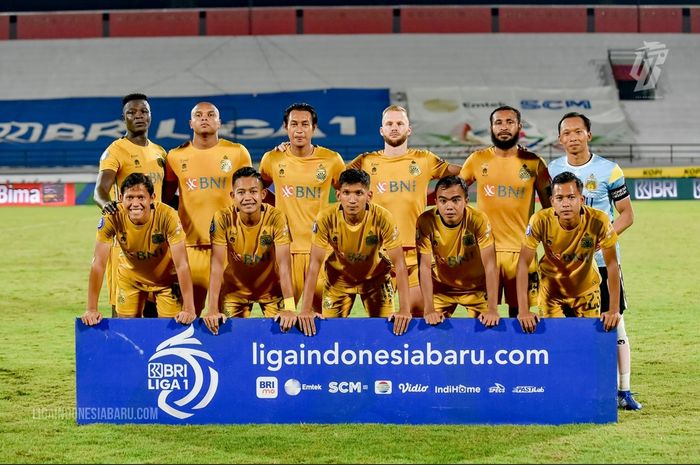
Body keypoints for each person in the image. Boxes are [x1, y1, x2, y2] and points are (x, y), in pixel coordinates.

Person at [548, 112, 640, 410]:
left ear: (589, 134)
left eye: (578, 131)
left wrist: (606, 236)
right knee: (569, 326)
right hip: (565, 267)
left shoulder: (609, 170)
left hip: (601, 262)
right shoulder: (553, 170)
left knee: (614, 322)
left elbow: (626, 213)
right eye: (567, 133)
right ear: (560, 139)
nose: (573, 137)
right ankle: (576, 385)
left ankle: (624, 390)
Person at [347, 104, 461, 317]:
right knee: (382, 324)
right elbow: (333, 178)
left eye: (400, 123)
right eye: (389, 123)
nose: (394, 127)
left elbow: (466, 174)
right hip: (377, 255)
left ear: (409, 130)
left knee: (417, 317)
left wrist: (499, 156)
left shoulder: (424, 160)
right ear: (381, 130)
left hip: (415, 253)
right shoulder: (365, 161)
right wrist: (287, 150)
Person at [460, 105, 552, 318]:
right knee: (480, 317)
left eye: (509, 122)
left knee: (521, 317)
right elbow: (452, 195)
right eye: (498, 122)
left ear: (519, 127)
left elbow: (549, 211)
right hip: (483, 252)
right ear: (491, 128)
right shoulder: (476, 160)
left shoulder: (534, 163)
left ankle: (518, 352)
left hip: (522, 253)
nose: (504, 127)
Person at [297, 168, 412, 337]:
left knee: (387, 334)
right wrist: (305, 309)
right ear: (338, 195)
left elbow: (400, 264)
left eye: (359, 193)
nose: (352, 200)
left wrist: (405, 309)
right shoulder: (325, 218)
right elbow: (314, 264)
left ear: (369, 196)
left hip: (376, 281)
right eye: (346, 193)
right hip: (338, 282)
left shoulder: (382, 217)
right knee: (329, 334)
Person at [163, 102, 252, 314]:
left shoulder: (237, 153)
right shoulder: (175, 156)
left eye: (211, 115)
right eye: (199, 115)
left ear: (219, 123)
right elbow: (165, 200)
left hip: (231, 248)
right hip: (190, 249)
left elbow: (251, 196)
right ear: (191, 123)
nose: (205, 118)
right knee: (187, 315)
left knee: (230, 318)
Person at [259, 103, 345, 313]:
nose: (299, 129)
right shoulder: (272, 159)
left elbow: (349, 195)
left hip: (321, 251)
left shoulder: (332, 160)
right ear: (285, 127)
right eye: (294, 124)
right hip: (284, 251)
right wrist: (277, 207)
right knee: (282, 316)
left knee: (322, 316)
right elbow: (258, 192)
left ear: (313, 128)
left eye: (305, 124)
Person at [80, 173, 196, 326]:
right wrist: (91, 308)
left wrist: (189, 308)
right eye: (130, 197)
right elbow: (98, 263)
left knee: (169, 331)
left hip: (166, 282)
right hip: (130, 279)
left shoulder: (168, 216)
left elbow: (182, 264)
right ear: (121, 198)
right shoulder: (111, 217)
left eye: (141, 197)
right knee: (126, 329)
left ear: (152, 197)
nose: (135, 203)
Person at [515, 171, 621, 335]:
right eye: (559, 198)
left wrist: (613, 309)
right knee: (554, 342)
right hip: (551, 292)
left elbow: (612, 264)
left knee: (586, 342)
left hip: (587, 291)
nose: (565, 204)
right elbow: (523, 263)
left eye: (571, 197)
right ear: (552, 201)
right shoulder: (540, 221)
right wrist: (523, 310)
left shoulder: (599, 221)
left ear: (581, 200)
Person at [93, 93, 167, 318]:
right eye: (132, 113)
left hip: (157, 243)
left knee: (156, 308)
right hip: (126, 243)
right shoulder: (116, 150)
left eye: (143, 111)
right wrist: (110, 209)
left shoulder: (160, 152)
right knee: (124, 312)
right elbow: (100, 191)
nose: (138, 116)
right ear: (123, 118)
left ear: (150, 116)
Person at [203, 167, 296, 336]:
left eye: (253, 191)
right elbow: (216, 265)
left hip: (271, 292)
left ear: (263, 194)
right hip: (234, 292)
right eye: (241, 192)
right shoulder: (221, 218)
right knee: (227, 338)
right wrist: (212, 309)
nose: (247, 198)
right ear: (232, 196)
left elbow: (284, 265)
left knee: (283, 337)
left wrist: (290, 308)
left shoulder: (277, 218)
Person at [416, 176, 500, 327]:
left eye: (455, 200)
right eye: (443, 201)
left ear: (466, 201)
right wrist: (428, 309)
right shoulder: (425, 221)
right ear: (436, 202)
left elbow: (491, 265)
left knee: (489, 330)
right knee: (430, 332)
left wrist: (493, 309)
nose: (449, 207)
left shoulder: (478, 219)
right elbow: (424, 267)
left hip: (476, 289)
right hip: (442, 289)